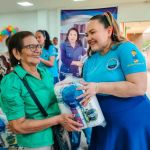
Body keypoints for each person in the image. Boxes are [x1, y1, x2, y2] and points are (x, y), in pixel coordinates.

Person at [77, 11, 150, 150]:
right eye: (87, 34)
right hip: (104, 124)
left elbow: (139, 87)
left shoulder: (125, 49)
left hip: (133, 123)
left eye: (93, 32)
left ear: (109, 31)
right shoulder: (90, 60)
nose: (89, 38)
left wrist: (98, 87)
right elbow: (88, 89)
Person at [0, 31, 82, 150]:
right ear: (17, 53)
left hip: (58, 136)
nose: (38, 50)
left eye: (39, 46)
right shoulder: (12, 82)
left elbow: (51, 101)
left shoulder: (44, 73)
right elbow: (18, 126)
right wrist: (57, 119)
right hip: (37, 144)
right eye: (31, 47)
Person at [60, 27, 92, 150]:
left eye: (74, 34)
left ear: (77, 36)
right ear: (67, 36)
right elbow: (64, 59)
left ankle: (88, 139)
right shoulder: (64, 45)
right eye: (70, 34)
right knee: (68, 102)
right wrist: (76, 63)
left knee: (80, 102)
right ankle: (74, 143)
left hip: (78, 76)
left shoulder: (80, 46)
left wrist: (83, 63)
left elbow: (86, 57)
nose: (72, 36)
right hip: (65, 75)